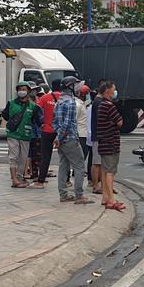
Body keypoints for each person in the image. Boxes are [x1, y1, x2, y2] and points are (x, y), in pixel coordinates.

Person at [52, 76, 94, 204]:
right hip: (70, 139)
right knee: (79, 166)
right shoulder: (71, 102)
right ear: (70, 86)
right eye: (76, 85)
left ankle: (63, 194)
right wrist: (59, 137)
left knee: (63, 166)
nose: (78, 87)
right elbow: (67, 123)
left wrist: (57, 137)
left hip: (61, 140)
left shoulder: (59, 101)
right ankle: (79, 195)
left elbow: (55, 122)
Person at [2, 81, 42, 188]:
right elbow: (5, 115)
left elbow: (38, 121)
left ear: (28, 91)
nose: (21, 91)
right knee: (13, 157)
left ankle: (19, 178)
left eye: (24, 89)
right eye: (20, 89)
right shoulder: (11, 103)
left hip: (26, 135)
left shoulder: (33, 107)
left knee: (23, 158)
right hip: (13, 134)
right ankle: (14, 179)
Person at [96, 81, 126, 211]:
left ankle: (105, 197)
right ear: (108, 92)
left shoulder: (101, 105)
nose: (115, 92)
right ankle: (111, 201)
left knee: (104, 171)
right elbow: (120, 122)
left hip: (103, 143)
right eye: (114, 90)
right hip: (111, 143)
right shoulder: (109, 106)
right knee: (110, 172)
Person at [33, 79, 61, 187]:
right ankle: (67, 180)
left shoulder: (45, 98)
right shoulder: (65, 98)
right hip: (60, 131)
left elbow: (36, 110)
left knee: (45, 156)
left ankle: (41, 180)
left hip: (47, 130)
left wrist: (40, 123)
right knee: (64, 157)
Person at [87, 79, 107, 195]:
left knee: (100, 163)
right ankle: (95, 185)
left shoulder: (98, 102)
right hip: (98, 137)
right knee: (96, 163)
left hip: (98, 136)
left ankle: (102, 185)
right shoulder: (98, 102)